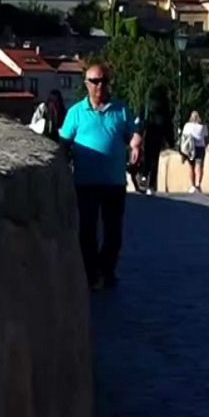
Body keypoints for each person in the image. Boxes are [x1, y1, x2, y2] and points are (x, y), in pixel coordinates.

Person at [58, 61, 143, 290]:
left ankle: (107, 270)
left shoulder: (121, 110)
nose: (100, 86)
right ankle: (91, 273)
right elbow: (63, 144)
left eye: (104, 81)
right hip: (85, 183)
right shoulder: (76, 113)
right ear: (86, 84)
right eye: (95, 81)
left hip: (114, 183)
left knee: (113, 232)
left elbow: (133, 134)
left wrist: (135, 145)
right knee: (87, 231)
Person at [139, 85, 173, 195]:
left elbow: (143, 117)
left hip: (149, 131)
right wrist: (170, 139)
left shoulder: (149, 104)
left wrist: (140, 132)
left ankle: (144, 175)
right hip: (159, 134)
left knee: (147, 156)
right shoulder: (165, 106)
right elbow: (168, 123)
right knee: (155, 159)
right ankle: (152, 185)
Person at [181, 110, 208, 194]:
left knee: (191, 167)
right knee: (199, 166)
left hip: (190, 149)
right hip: (200, 148)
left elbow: (184, 137)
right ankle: (198, 184)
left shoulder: (187, 125)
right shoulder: (203, 126)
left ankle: (193, 186)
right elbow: (206, 138)